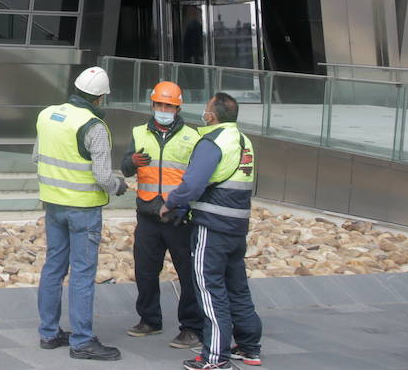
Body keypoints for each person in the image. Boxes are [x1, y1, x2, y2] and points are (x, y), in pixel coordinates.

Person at [160, 93, 262, 369]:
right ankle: (250, 346)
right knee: (237, 288)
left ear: (212, 116)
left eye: (206, 109)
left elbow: (192, 184)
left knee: (209, 288)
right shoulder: (244, 141)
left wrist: (170, 203)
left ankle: (215, 357)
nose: (203, 113)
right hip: (237, 227)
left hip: (212, 228)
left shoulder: (213, 141)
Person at [35, 65, 129, 362]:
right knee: (82, 275)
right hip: (84, 210)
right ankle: (82, 341)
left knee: (53, 267)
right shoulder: (93, 127)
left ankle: (49, 333)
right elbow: (103, 177)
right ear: (100, 98)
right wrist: (119, 186)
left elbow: (37, 155)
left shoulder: (47, 115)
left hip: (53, 206)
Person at [121, 81, 203, 350]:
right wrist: (131, 162)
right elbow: (124, 167)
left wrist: (187, 207)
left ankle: (191, 327)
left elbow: (198, 176)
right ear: (153, 105)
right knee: (144, 270)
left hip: (178, 216)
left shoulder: (192, 137)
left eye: (169, 105)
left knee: (187, 273)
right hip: (147, 213)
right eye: (160, 104)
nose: (163, 109)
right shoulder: (139, 132)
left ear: (177, 108)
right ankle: (149, 319)